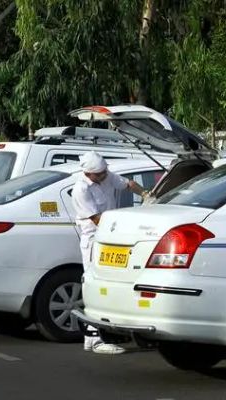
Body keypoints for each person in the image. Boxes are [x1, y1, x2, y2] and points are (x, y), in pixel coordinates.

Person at [72, 151, 149, 355]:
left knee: (104, 287)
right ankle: (94, 338)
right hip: (93, 240)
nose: (105, 175)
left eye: (105, 171)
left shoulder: (106, 176)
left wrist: (146, 195)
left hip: (108, 238)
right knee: (93, 286)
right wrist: (126, 226)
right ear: (89, 174)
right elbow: (96, 219)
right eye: (100, 174)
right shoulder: (80, 190)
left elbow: (129, 184)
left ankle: (94, 337)